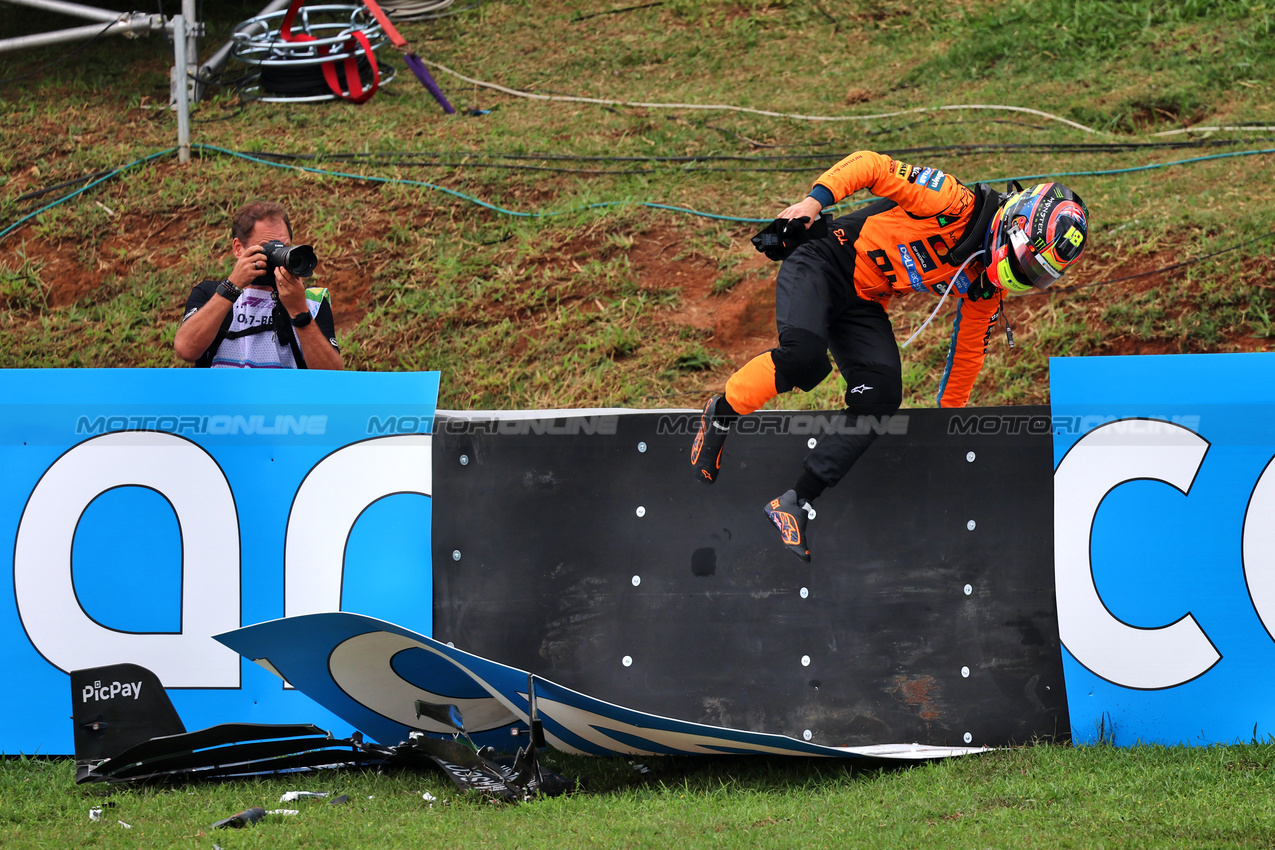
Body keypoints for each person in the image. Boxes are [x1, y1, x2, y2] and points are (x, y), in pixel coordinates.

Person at [690, 150, 1088, 561]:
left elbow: (968, 351)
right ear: (1015, 224)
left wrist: (949, 419)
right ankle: (722, 411)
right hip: (824, 260)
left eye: (1034, 275)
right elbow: (871, 165)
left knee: (879, 397)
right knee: (805, 360)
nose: (1020, 277)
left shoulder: (986, 285)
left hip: (863, 300)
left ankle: (795, 500)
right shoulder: (951, 202)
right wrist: (814, 202)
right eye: (1024, 264)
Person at [174, 201, 343, 370]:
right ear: (238, 248)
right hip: (225, 395)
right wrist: (231, 287)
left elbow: (332, 376)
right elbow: (186, 350)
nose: (275, 256)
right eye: (266, 248)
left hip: (284, 396)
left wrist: (299, 312)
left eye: (283, 247)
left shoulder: (311, 302)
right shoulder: (210, 294)